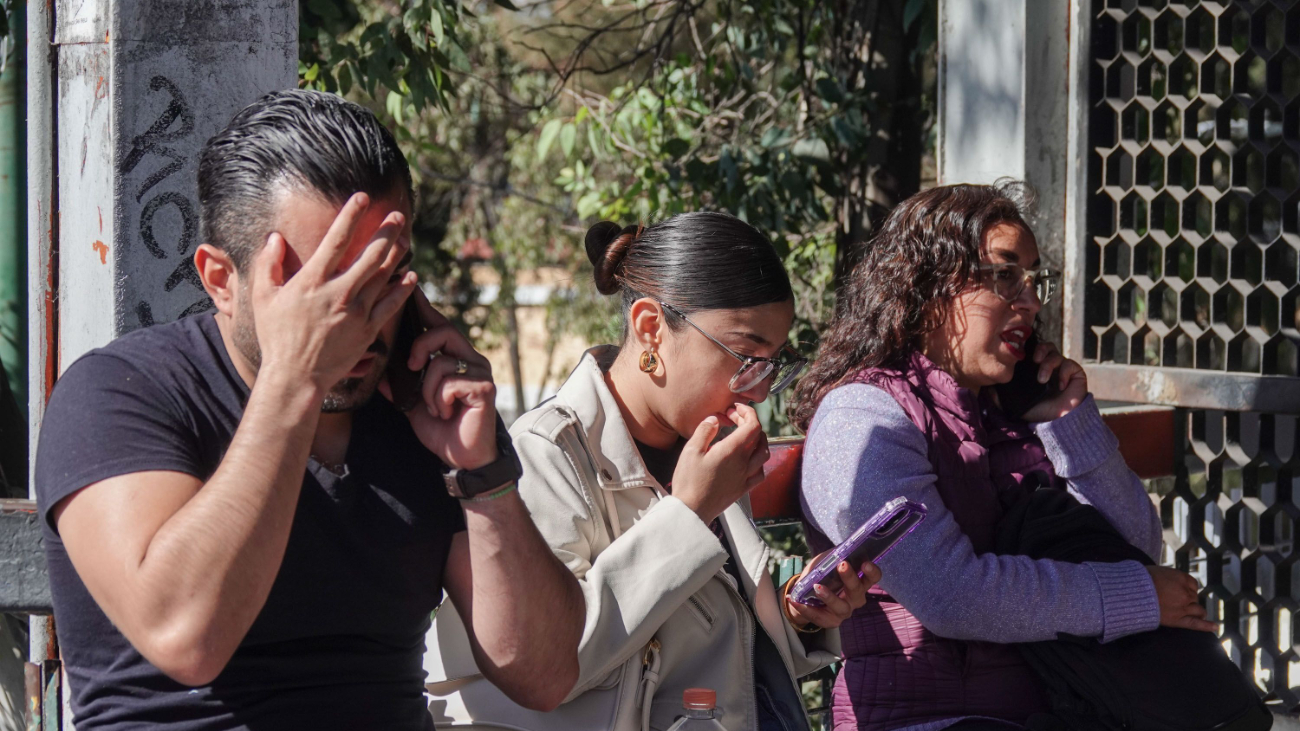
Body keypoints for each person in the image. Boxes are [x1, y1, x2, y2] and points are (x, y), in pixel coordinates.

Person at [34, 90, 583, 731]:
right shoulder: (120, 394)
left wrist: (481, 473)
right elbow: (186, 636)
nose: (359, 319)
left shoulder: (422, 408)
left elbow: (543, 675)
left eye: (384, 278)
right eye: (323, 285)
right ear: (221, 280)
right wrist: (295, 378)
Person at [428, 213, 881, 731]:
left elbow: (706, 640)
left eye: (772, 364)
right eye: (744, 357)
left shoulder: (707, 446)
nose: (757, 391)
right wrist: (689, 514)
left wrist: (797, 612)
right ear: (650, 327)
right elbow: (550, 667)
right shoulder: (544, 452)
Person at [790, 182, 1212, 731]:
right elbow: (950, 595)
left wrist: (1068, 421)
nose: (1030, 301)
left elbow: (1134, 549)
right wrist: (1133, 597)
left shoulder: (1013, 409)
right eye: (1005, 275)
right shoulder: (864, 416)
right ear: (930, 284)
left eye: (1035, 280)